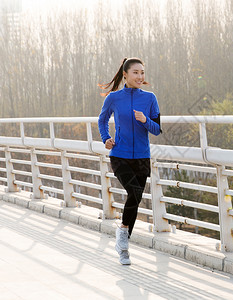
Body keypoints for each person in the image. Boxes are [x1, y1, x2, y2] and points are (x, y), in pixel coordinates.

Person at [98, 58, 162, 265]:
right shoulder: (114, 98)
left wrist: (146, 120)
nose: (140, 77)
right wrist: (105, 138)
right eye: (136, 72)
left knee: (135, 199)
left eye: (142, 73)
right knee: (134, 192)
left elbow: (157, 129)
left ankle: (123, 238)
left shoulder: (150, 98)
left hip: (142, 157)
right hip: (120, 155)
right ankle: (123, 245)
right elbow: (102, 119)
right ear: (125, 74)